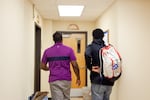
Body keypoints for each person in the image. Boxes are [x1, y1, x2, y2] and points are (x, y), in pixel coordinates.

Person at [41, 32, 81, 100]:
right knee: (66, 98)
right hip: (66, 79)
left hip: (54, 79)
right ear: (62, 39)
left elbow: (42, 66)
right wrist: (78, 77)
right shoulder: (69, 50)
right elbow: (75, 65)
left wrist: (49, 68)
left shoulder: (47, 51)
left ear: (53, 39)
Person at [84, 28, 114, 100]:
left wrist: (90, 67)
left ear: (93, 36)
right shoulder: (109, 47)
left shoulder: (91, 47)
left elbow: (87, 55)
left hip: (97, 80)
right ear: (103, 36)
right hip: (109, 80)